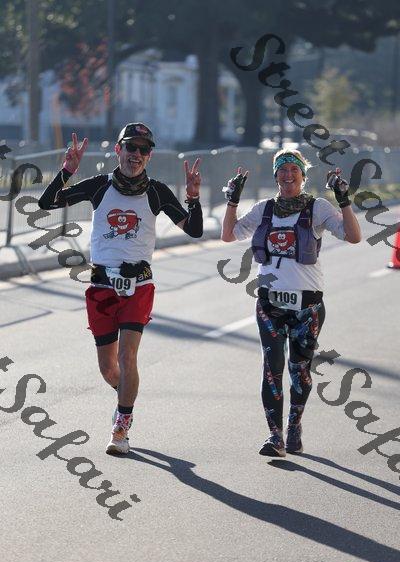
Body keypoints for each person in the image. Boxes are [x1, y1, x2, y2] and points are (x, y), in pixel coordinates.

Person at [38, 123, 203, 455]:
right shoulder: (100, 186)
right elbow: (47, 203)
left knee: (128, 357)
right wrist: (67, 171)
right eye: (131, 147)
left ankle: (121, 427)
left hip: (138, 285)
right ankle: (126, 397)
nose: (136, 155)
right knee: (108, 368)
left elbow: (195, 230)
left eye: (144, 150)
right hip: (101, 285)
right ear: (118, 150)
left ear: (149, 156)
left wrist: (193, 198)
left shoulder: (157, 192)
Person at [221, 148, 361, 457]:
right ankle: (275, 436)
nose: (287, 175)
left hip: (307, 306)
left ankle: (294, 425)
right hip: (269, 304)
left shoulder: (318, 207)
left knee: (300, 369)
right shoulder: (263, 209)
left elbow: (353, 236)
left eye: (293, 170)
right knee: (271, 368)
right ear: (275, 176)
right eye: (282, 170)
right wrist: (232, 200)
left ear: (302, 176)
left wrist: (344, 200)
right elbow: (228, 235)